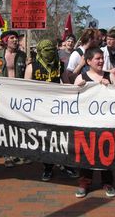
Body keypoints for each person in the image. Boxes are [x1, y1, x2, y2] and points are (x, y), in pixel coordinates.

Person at [24, 39, 79, 181]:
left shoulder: (59, 65)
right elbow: (24, 88)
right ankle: (48, 167)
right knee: (45, 138)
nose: (49, 54)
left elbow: (67, 84)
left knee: (61, 137)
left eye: (51, 51)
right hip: (40, 109)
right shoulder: (32, 67)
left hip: (57, 107)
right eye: (46, 51)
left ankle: (65, 164)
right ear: (40, 52)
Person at [73, 47, 115, 198]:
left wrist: (110, 87)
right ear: (88, 61)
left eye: (101, 58)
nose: (100, 61)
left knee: (106, 152)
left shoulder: (110, 76)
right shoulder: (81, 77)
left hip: (107, 123)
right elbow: (71, 100)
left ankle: (107, 182)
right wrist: (78, 88)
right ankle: (84, 183)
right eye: (97, 59)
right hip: (87, 124)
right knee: (87, 154)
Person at [0, 30, 31, 167]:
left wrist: (30, 64)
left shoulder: (23, 55)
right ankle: (7, 155)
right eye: (12, 38)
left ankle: (20, 153)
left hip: (18, 95)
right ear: (5, 40)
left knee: (19, 124)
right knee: (5, 125)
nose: (15, 40)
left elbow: (28, 73)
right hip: (3, 95)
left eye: (16, 38)